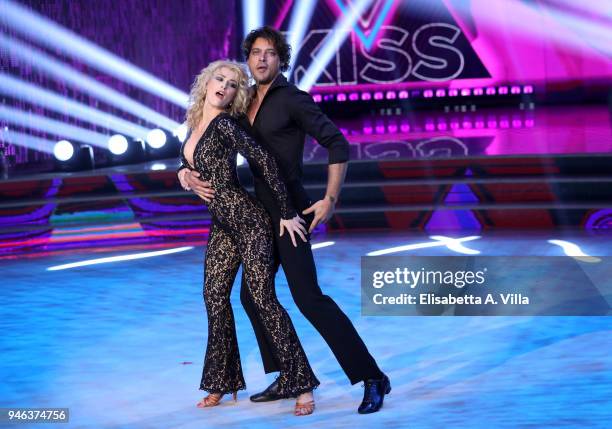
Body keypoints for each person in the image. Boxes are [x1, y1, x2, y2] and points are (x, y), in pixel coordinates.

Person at [180, 27, 390, 414]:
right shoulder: (239, 105)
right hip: (253, 214)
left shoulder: (294, 100)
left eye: (270, 53)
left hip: (290, 215)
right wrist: (184, 171)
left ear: (281, 60)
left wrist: (329, 198)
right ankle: (287, 376)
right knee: (248, 296)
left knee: (308, 298)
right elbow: (204, 141)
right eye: (256, 53)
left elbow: (337, 143)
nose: (261, 59)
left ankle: (371, 376)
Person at [177, 59, 319, 416]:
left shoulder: (226, 125)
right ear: (206, 83)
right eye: (219, 79)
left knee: (261, 298)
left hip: (249, 221)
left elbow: (266, 162)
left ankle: (301, 384)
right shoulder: (195, 124)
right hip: (223, 225)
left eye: (233, 84)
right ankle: (222, 382)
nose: (224, 86)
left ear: (235, 95)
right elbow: (190, 163)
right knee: (213, 296)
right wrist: (182, 172)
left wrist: (286, 212)